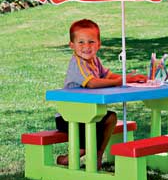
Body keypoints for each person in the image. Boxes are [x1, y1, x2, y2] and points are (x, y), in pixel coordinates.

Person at [56, 19, 147, 169]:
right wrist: (118, 82)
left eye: (91, 42)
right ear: (71, 45)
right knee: (89, 141)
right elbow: (92, 83)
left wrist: (129, 78)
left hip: (90, 113)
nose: (86, 47)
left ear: (99, 44)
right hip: (70, 116)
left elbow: (108, 75)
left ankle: (98, 155)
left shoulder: (94, 60)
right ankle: (69, 159)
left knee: (111, 118)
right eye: (81, 42)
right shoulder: (77, 63)